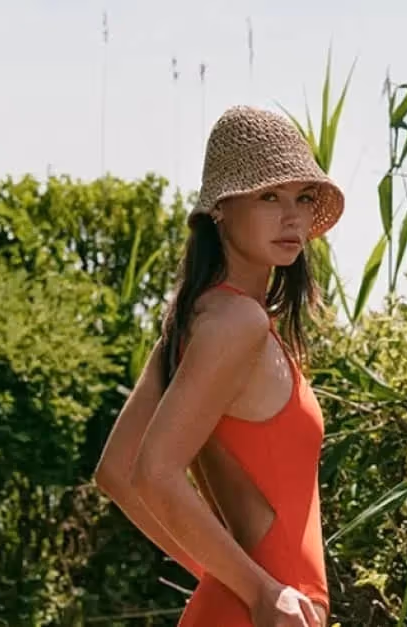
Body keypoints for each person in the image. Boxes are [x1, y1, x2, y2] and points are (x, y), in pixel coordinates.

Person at [93, 105, 344, 627]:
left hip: (252, 608)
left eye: (302, 197)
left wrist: (226, 581)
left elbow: (116, 471)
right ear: (222, 209)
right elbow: (150, 473)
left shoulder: (196, 320)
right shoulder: (238, 323)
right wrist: (259, 590)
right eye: (269, 196)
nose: (292, 217)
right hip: (266, 609)